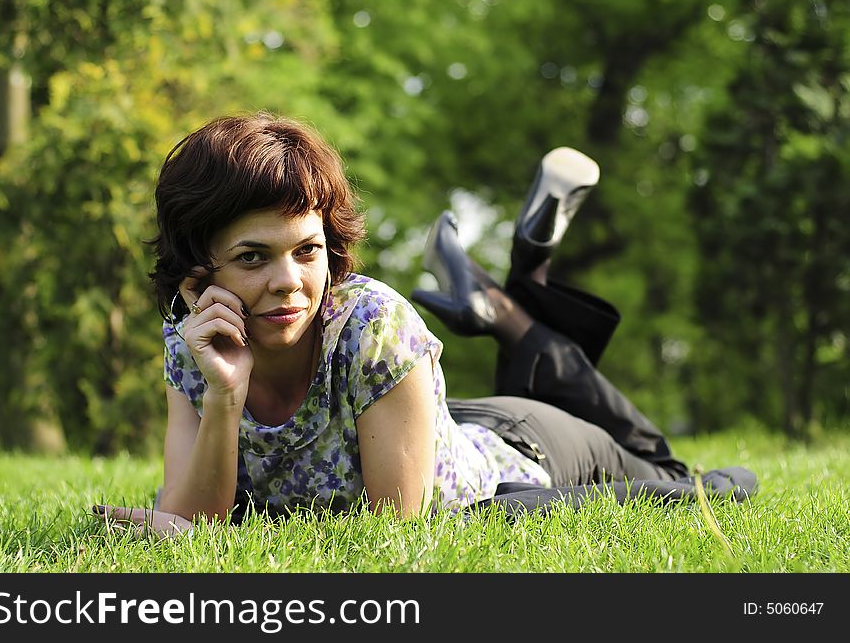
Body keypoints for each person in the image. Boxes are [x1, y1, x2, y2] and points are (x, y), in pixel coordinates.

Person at [92, 111, 748, 538]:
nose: (289, 281)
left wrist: (220, 536)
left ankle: (512, 307)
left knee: (688, 480)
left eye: (307, 250)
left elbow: (394, 538)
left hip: (524, 454)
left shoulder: (374, 322)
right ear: (197, 279)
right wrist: (226, 397)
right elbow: (190, 525)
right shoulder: (193, 344)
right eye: (251, 257)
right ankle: (503, 302)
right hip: (443, 422)